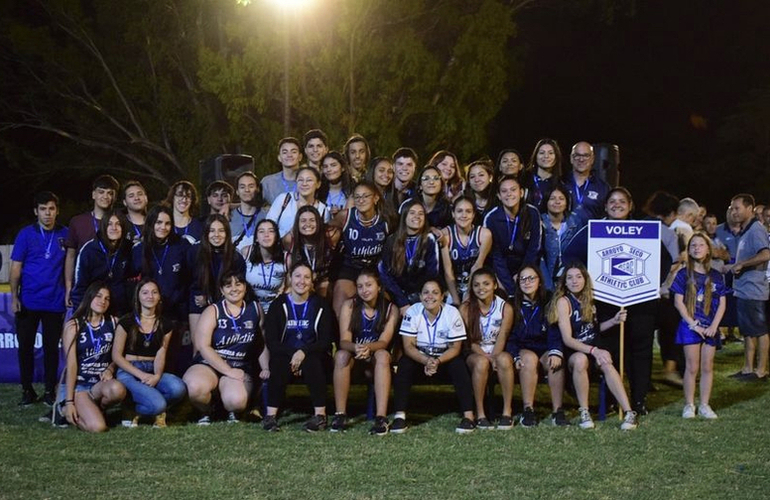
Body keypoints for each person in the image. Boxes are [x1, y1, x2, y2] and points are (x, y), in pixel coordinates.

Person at [547, 263, 638, 430]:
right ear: (564, 282)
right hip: (575, 353)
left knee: (606, 362)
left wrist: (614, 321)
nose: (574, 281)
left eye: (579, 277)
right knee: (581, 360)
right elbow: (567, 339)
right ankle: (585, 412)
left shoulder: (589, 300)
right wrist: (594, 351)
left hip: (593, 348)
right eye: (570, 277)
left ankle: (629, 412)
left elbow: (594, 330)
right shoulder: (563, 302)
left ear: (585, 280)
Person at [391, 279, 476, 434]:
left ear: (442, 296)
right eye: (426, 292)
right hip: (420, 358)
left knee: (458, 365)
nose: (430, 296)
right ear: (420, 295)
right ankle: (399, 416)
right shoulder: (413, 311)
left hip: (444, 358)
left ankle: (468, 416)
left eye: (435, 292)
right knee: (405, 364)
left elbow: (455, 348)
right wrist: (426, 360)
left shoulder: (451, 313)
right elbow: (408, 346)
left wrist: (437, 361)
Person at [183, 271, 266, 424]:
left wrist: (266, 368)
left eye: (238, 284)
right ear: (221, 290)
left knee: (236, 402)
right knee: (194, 387)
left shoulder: (255, 308)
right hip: (211, 363)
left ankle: (228, 408)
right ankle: (206, 410)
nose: (234, 289)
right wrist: (227, 371)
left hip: (240, 364)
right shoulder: (213, 310)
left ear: (245, 287)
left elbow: (262, 342)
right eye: (228, 285)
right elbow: (203, 346)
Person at [10, 191, 69, 406]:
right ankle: (27, 390)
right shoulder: (25, 234)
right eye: (43, 209)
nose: (47, 213)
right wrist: (14, 297)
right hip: (28, 302)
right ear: (36, 211)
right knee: (25, 347)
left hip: (55, 302)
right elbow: (16, 268)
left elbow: (69, 268)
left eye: (51, 209)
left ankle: (49, 391)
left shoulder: (66, 234)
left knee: (51, 349)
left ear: (57, 211)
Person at [263, 262, 335, 432]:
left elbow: (325, 340)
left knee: (313, 362)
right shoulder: (277, 305)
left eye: (306, 277)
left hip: (313, 354)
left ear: (312, 282)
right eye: (297, 276)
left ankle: (320, 416)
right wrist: (293, 354)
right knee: (279, 363)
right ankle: (270, 416)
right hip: (285, 353)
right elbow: (272, 342)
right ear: (289, 278)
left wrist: (303, 352)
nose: (301, 281)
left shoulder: (321, 305)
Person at [112, 278, 187, 427]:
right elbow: (116, 356)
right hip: (129, 371)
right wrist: (141, 375)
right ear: (138, 296)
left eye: (154, 292)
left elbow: (161, 352)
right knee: (158, 405)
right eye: (145, 292)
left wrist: (157, 376)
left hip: (152, 369)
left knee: (178, 388)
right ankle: (141, 408)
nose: (150, 296)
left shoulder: (165, 324)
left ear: (159, 297)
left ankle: (140, 410)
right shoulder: (126, 321)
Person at [332, 269, 399, 434]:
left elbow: (384, 342)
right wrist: (357, 348)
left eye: (369, 285)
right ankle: (340, 414)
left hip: (376, 358)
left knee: (383, 355)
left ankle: (381, 417)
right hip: (355, 357)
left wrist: (368, 348)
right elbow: (344, 341)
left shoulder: (391, 309)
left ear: (379, 286)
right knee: (341, 355)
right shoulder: (349, 305)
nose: (364, 290)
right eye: (360, 286)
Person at [671, 233, 727, 419]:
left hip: (710, 327)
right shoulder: (683, 274)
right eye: (693, 245)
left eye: (701, 245)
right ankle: (689, 405)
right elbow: (679, 302)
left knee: (707, 366)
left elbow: (722, 304)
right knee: (691, 367)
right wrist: (693, 324)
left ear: (708, 249)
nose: (697, 248)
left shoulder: (716, 276)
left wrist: (714, 326)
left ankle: (704, 404)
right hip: (691, 327)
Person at [61, 282, 126, 432]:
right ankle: (63, 410)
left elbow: (118, 355)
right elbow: (71, 365)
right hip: (80, 385)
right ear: (89, 297)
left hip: (99, 384)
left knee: (118, 389)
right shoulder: (74, 326)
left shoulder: (114, 323)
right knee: (98, 427)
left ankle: (97, 409)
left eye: (107, 298)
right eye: (98, 296)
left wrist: (110, 368)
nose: (102, 301)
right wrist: (69, 401)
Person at [507, 265, 567, 427]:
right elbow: (508, 335)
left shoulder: (549, 300)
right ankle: (528, 410)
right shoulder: (512, 304)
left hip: (545, 346)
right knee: (528, 360)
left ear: (540, 281)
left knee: (555, 361)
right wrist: (515, 354)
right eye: (523, 279)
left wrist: (556, 351)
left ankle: (558, 411)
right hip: (524, 347)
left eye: (531, 278)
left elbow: (555, 330)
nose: (527, 282)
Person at [460, 268, 515, 430]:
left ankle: (507, 411)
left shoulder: (505, 308)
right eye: (476, 285)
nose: (481, 288)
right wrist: (486, 356)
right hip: (474, 351)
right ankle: (481, 413)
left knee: (505, 360)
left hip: (497, 349)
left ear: (495, 285)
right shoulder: (465, 308)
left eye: (486, 284)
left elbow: (502, 337)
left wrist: (495, 356)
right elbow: (469, 341)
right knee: (482, 363)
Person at [726, 194, 770, 380]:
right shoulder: (746, 230)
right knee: (748, 331)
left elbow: (766, 254)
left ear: (749, 208)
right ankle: (747, 368)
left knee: (759, 330)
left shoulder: (756, 230)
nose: (733, 212)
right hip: (745, 289)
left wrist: (742, 265)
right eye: (732, 208)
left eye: (737, 208)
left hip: (754, 289)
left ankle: (760, 370)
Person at [330, 181, 390, 316]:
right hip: (349, 266)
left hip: (375, 269)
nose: (361, 200)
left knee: (385, 304)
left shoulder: (386, 219)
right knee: (339, 305)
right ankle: (343, 336)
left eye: (365, 196)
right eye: (357, 197)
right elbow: (327, 233)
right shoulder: (344, 216)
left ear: (375, 198)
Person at [64, 174, 120, 308]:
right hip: (85, 290)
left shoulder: (119, 222)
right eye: (101, 192)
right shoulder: (78, 222)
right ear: (93, 194)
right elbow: (70, 256)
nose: (105, 196)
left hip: (112, 290)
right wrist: (68, 287)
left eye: (110, 193)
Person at [483, 175, 542, 299]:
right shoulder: (491, 218)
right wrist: (509, 284)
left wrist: (522, 275)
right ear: (499, 196)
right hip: (501, 268)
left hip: (527, 265)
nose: (509, 194)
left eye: (513, 190)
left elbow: (534, 249)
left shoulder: (532, 213)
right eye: (504, 191)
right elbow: (495, 255)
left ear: (521, 193)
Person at [378, 199, 440, 314]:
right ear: (404, 216)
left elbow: (432, 274)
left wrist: (419, 299)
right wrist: (402, 302)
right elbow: (384, 273)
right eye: (412, 213)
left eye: (421, 213)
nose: (417, 216)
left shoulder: (429, 239)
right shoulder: (392, 240)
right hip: (396, 296)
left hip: (422, 296)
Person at [188, 215, 246, 335]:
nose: (216, 235)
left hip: (226, 304)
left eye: (221, 231)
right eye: (212, 231)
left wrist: (210, 300)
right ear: (206, 233)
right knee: (199, 347)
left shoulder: (236, 258)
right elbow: (187, 280)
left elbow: (238, 288)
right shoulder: (195, 253)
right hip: (199, 303)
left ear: (227, 233)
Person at [132, 204, 191, 322]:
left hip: (178, 310)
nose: (163, 227)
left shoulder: (182, 245)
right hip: (148, 310)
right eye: (158, 222)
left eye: (167, 223)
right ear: (151, 223)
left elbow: (190, 277)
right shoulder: (139, 249)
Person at [71, 210, 133, 316]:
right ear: (104, 227)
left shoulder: (129, 248)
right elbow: (80, 287)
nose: (114, 228)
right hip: (94, 312)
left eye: (118, 224)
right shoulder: (89, 250)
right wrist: (80, 316)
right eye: (109, 224)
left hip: (121, 312)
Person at [440, 196, 492, 305]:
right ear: (453, 214)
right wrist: (456, 300)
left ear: (473, 215)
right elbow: (448, 271)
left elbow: (478, 266)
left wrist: (468, 296)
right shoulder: (445, 235)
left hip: (475, 283)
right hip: (452, 285)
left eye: (468, 211)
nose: (464, 215)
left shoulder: (484, 234)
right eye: (459, 211)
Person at [285, 205, 340, 298]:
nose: (308, 224)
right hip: (303, 279)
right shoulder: (290, 239)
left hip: (324, 279)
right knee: (290, 290)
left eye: (312, 220)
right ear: (297, 224)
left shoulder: (330, 235)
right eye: (303, 221)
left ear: (318, 222)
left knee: (324, 290)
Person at [266, 166, 330, 239]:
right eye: (300, 180)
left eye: (309, 180)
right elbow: (268, 225)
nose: (304, 184)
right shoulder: (284, 199)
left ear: (318, 184)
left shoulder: (322, 210)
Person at [540, 185, 582, 291]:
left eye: (561, 199)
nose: (557, 202)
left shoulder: (576, 222)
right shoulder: (538, 222)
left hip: (569, 277)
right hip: (545, 277)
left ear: (567, 202)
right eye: (552, 198)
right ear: (546, 202)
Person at [244, 219, 286, 315]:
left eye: (271, 231)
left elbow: (290, 287)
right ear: (256, 238)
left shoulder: (286, 259)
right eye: (261, 231)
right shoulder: (246, 252)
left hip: (274, 310)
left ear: (276, 236)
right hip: (250, 307)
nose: (266, 235)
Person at [564, 142, 610, 224]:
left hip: (592, 235)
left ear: (592, 159)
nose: (581, 159)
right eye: (577, 155)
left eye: (586, 156)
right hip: (564, 236)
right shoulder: (561, 183)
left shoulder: (603, 187)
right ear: (571, 158)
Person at [399, 165, 453, 231]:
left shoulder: (446, 207)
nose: (431, 182)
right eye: (426, 178)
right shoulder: (408, 204)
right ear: (420, 185)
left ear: (441, 184)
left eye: (436, 178)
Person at [524, 138, 563, 212]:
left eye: (551, 153)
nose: (546, 156)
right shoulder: (524, 180)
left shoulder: (562, 183)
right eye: (542, 153)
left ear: (556, 157)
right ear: (535, 156)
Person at [230, 172, 264, 252]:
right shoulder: (228, 217)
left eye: (251, 186)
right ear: (237, 191)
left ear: (257, 189)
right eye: (242, 187)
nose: (247, 190)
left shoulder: (267, 215)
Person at [262, 137, 302, 205]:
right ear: (279, 157)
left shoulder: (307, 181)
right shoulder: (268, 182)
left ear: (300, 157)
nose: (289, 155)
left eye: (293, 152)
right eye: (284, 152)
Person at [318, 151, 354, 218]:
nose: (329, 169)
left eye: (333, 165)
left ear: (342, 168)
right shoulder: (318, 191)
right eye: (325, 166)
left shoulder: (353, 189)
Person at [464, 159, 497, 225]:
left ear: (490, 177)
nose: (477, 180)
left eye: (481, 175)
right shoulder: (463, 200)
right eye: (472, 177)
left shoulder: (499, 199)